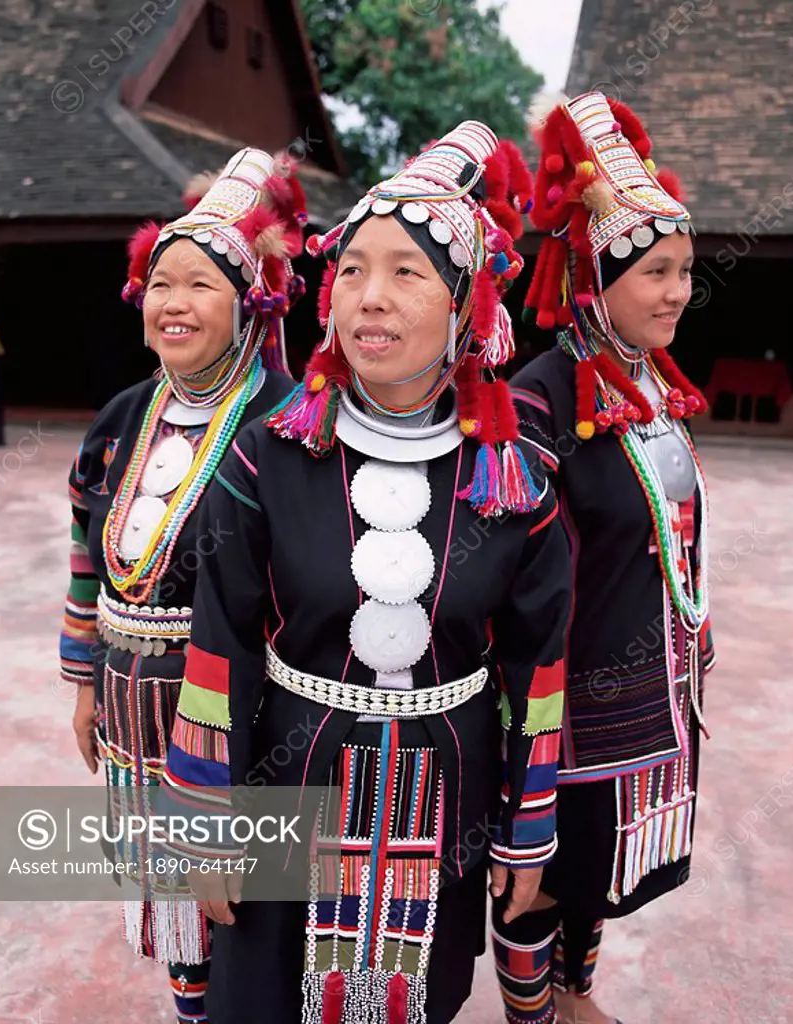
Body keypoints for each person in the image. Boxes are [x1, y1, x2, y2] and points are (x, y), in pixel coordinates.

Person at [161, 121, 573, 1024]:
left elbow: (536, 669)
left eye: (405, 273)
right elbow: (219, 642)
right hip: (283, 788)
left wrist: (528, 825)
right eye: (351, 270)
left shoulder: (515, 479)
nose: (369, 298)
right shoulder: (267, 458)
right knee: (258, 998)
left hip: (446, 803)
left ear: (468, 306)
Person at [58, 147, 307, 1023]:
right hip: (130, 702)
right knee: (168, 900)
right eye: (162, 282)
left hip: (238, 717)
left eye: (201, 284)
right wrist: (84, 678)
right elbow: (88, 551)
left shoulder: (285, 421)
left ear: (247, 300)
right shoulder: (121, 416)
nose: (175, 302)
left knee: (236, 898)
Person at [491, 91, 716, 1024]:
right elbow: (515, 580)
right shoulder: (538, 405)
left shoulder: (652, 388)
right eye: (658, 271)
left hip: (651, 678)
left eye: (687, 271)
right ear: (597, 275)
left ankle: (576, 991)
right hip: (568, 699)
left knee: (600, 869)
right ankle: (531, 1010)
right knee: (546, 875)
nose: (678, 291)